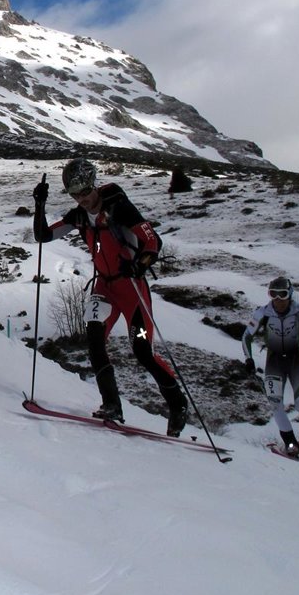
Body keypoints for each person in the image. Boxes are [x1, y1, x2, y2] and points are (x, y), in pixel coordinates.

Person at [32, 158, 188, 436]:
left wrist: (139, 265)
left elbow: (153, 241)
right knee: (94, 340)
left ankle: (178, 404)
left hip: (132, 289)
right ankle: (111, 404)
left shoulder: (119, 207)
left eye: (85, 192)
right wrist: (39, 205)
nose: (82, 199)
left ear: (94, 185)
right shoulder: (79, 216)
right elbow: (44, 235)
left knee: (142, 351)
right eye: (75, 195)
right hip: (104, 287)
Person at [241, 276, 299, 461]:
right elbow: (246, 336)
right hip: (274, 361)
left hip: (296, 360)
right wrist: (248, 359)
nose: (278, 300)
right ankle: (291, 444)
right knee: (276, 405)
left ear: (290, 294)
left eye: (282, 294)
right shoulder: (263, 313)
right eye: (273, 294)